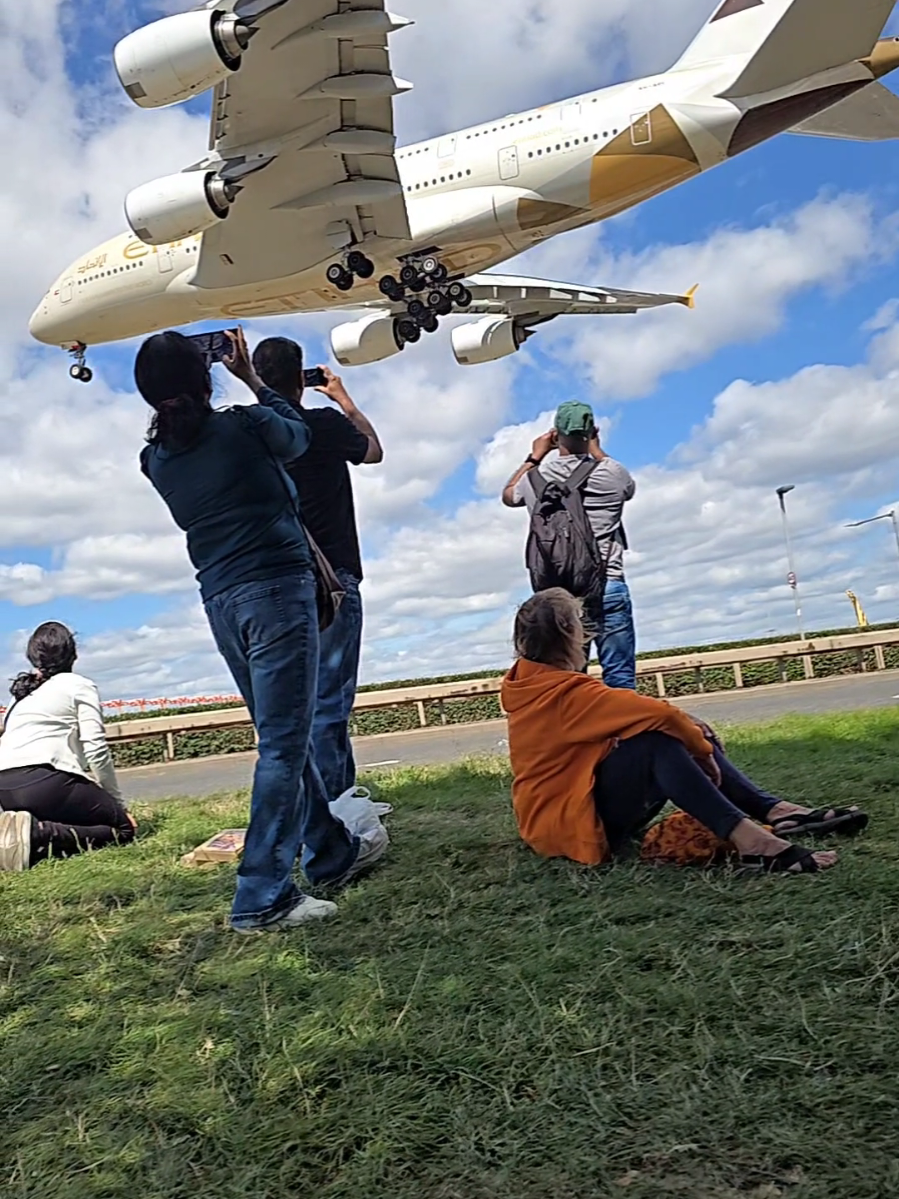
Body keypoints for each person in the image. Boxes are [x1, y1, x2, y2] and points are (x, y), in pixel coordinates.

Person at [136, 328, 387, 934]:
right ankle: (261, 896)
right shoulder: (245, 426)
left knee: (286, 735)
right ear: (205, 377)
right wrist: (249, 378)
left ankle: (329, 854)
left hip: (221, 600)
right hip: (277, 591)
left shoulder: (156, 459)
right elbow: (297, 436)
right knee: (281, 745)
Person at [501, 590, 869, 875]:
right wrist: (702, 750)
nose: (587, 635)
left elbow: (641, 714)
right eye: (582, 626)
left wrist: (692, 731)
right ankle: (753, 838)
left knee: (665, 731)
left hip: (554, 821)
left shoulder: (536, 686)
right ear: (569, 632)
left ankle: (775, 811)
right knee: (657, 739)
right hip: (569, 826)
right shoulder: (566, 694)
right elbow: (659, 715)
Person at [251, 337, 383, 800]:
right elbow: (373, 450)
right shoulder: (324, 424)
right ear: (301, 377)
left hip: (274, 583)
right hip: (334, 577)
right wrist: (343, 398)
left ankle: (322, 805)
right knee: (330, 703)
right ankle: (335, 813)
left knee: (291, 707)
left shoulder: (251, 430)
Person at [502, 401, 638, 689]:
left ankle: (580, 733)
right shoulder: (612, 473)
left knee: (570, 680)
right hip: (607, 583)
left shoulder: (534, 480)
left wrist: (535, 456)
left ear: (556, 435)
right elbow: (629, 489)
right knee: (620, 677)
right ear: (591, 432)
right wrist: (596, 448)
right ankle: (624, 734)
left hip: (559, 594)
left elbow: (508, 495)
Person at [0, 622, 136, 872]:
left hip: (5, 789)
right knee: (124, 829)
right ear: (73, 654)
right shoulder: (78, 685)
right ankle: (37, 833)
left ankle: (26, 839)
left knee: (70, 819)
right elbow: (95, 747)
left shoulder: (19, 696)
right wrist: (117, 804)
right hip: (46, 779)